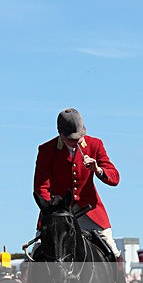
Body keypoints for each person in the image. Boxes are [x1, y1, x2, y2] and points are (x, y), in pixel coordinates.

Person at [34, 107, 121, 257]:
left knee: (113, 250)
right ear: (60, 133)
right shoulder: (46, 150)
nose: (77, 141)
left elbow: (115, 178)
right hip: (58, 213)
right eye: (72, 139)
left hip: (89, 211)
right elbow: (41, 187)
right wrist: (52, 211)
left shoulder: (95, 145)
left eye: (80, 137)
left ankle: (118, 281)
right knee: (37, 250)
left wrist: (98, 169)